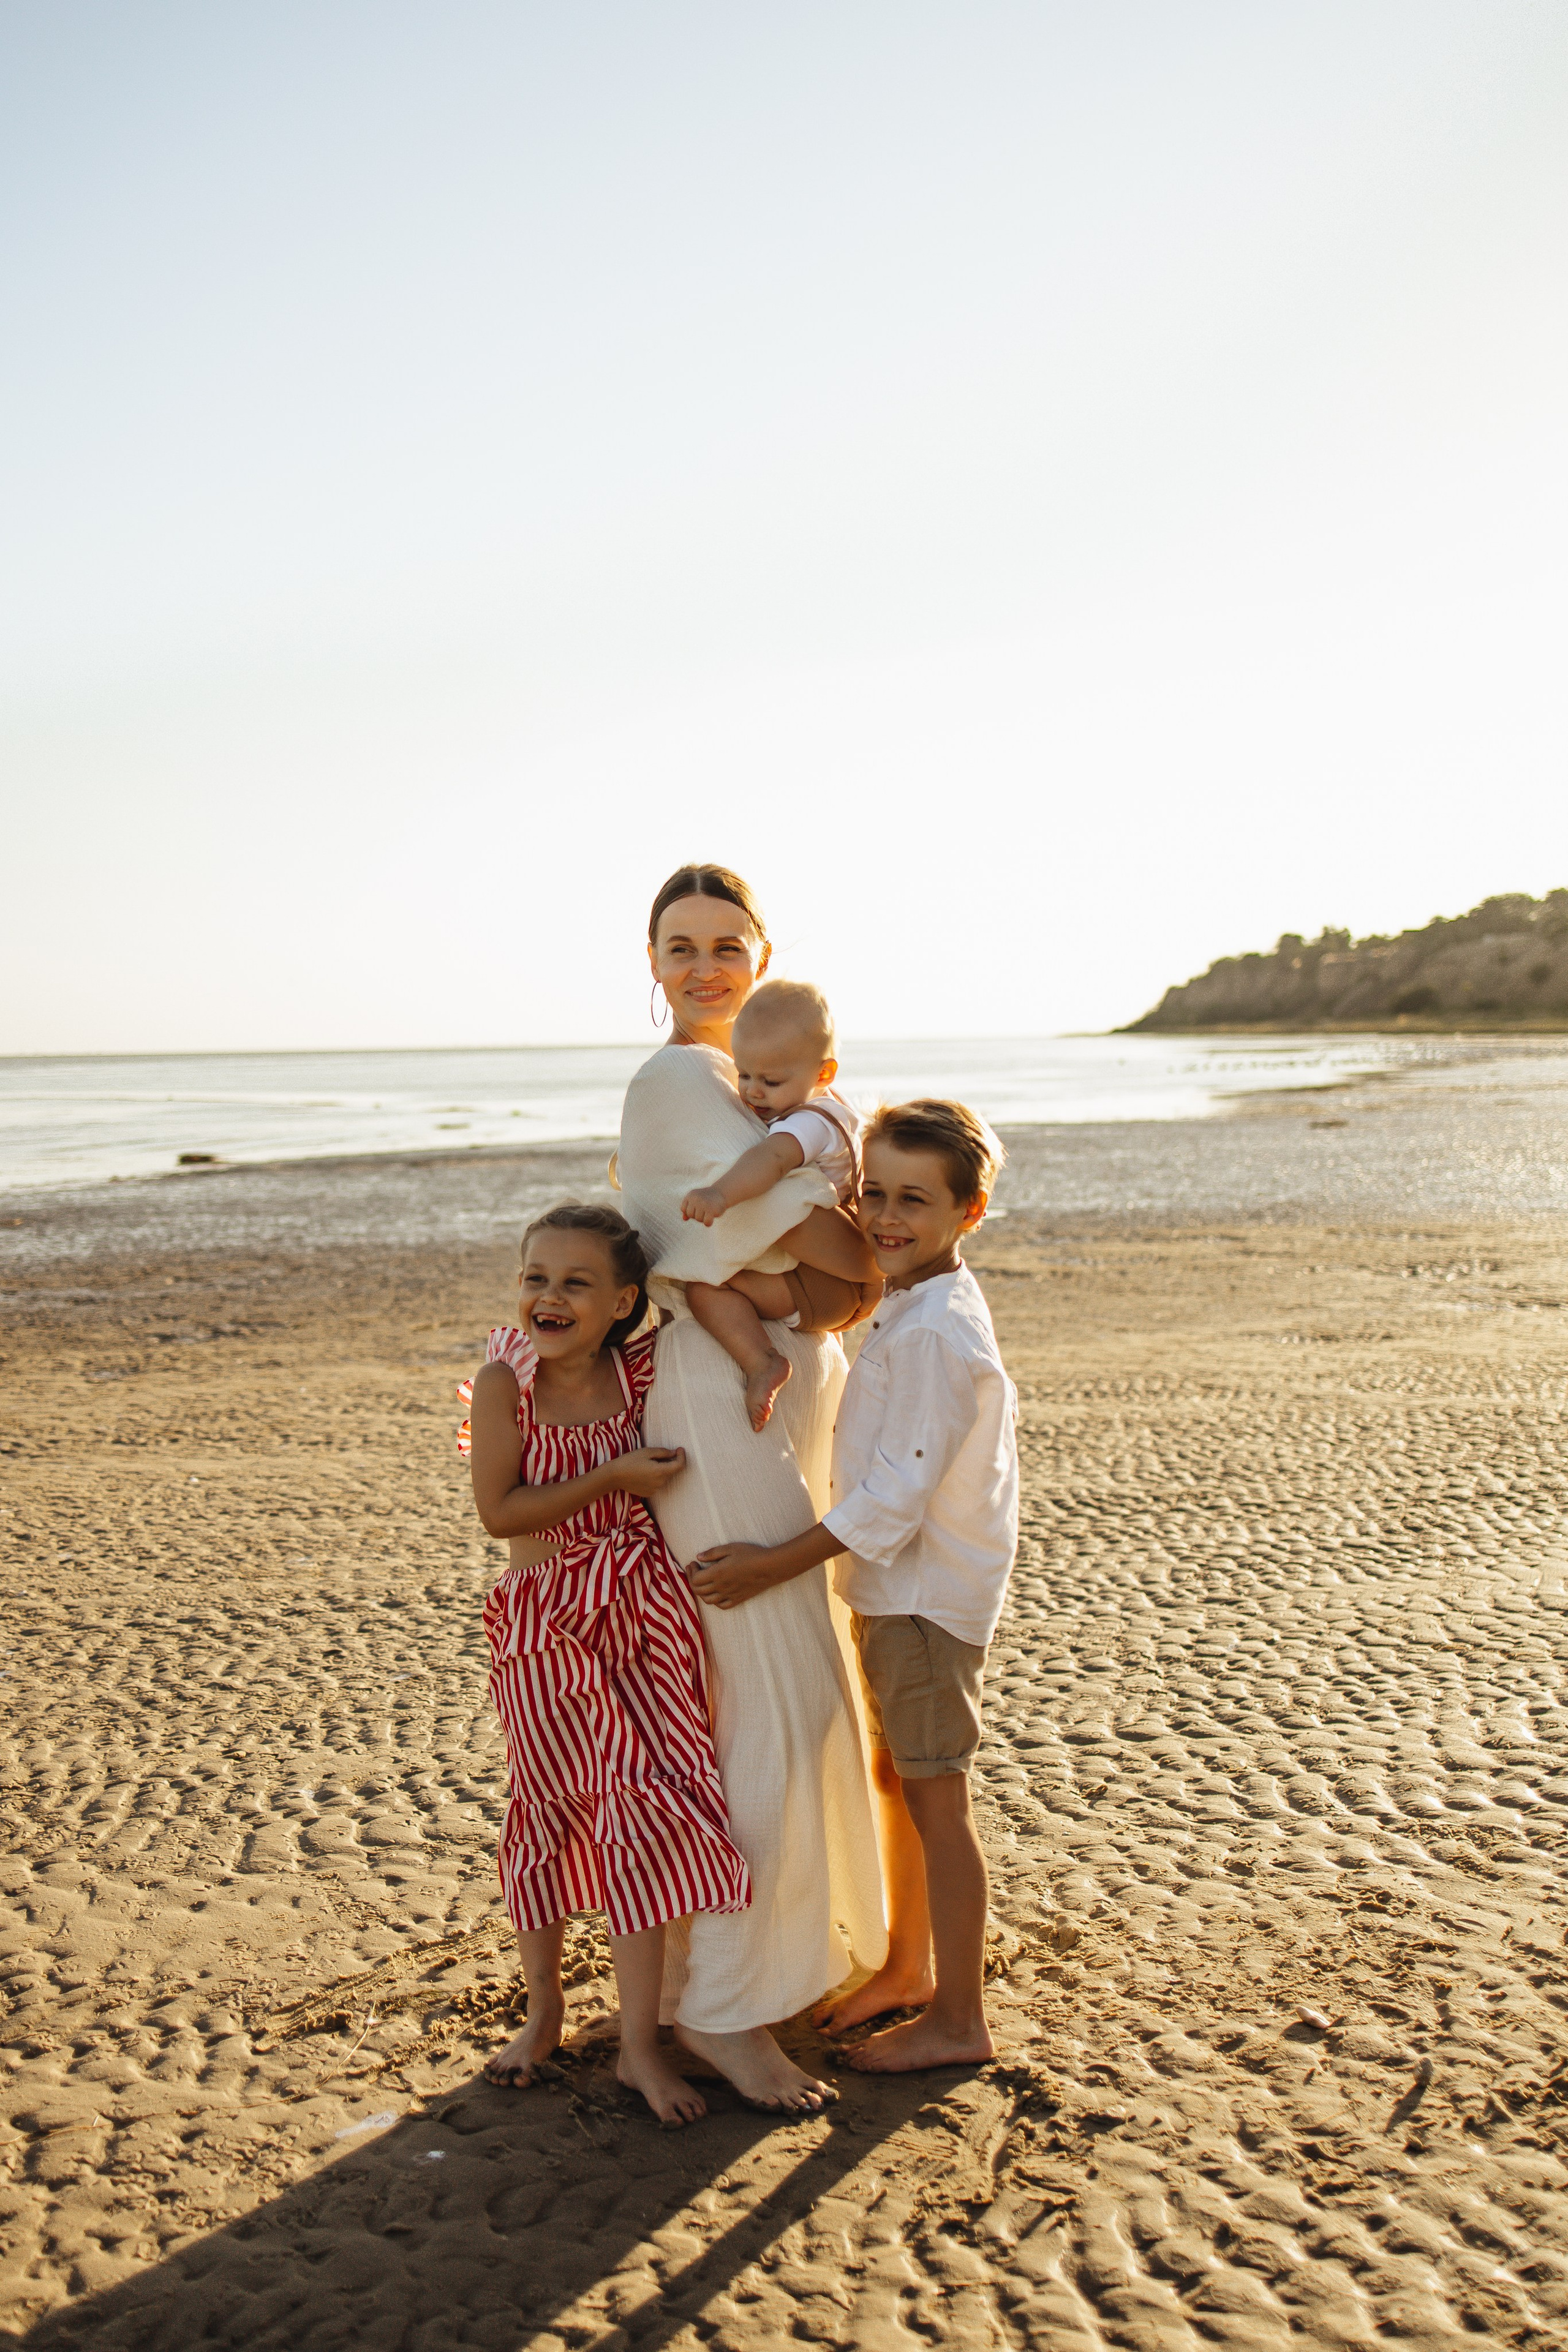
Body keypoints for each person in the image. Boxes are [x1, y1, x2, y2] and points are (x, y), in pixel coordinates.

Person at [616, 864, 888, 2114]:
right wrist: (847, 1260)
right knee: (776, 1699)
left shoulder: (763, 1087)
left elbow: (827, 1240)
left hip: (774, 1397)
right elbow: (832, 1240)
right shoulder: (678, 1083)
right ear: (652, 964)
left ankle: (729, 1978)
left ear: (763, 956)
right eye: (682, 946)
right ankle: (725, 2010)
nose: (706, 966)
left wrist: (834, 1257)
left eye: (728, 944)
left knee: (773, 1692)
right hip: (716, 1405)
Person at [690, 1098, 1019, 2074]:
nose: (884, 1217)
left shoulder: (933, 1332)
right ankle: (908, 1969)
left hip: (925, 1599)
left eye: (915, 1200)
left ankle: (959, 2018)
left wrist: (769, 1565)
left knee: (938, 1802)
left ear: (969, 1210)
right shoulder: (913, 1302)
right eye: (874, 1193)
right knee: (900, 1783)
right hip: (898, 1593)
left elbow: (893, 1498)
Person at [459, 1202, 750, 2127]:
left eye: (576, 1283)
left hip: (642, 1617)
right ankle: (543, 2009)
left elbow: (724, 1305)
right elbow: (501, 1513)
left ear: (624, 1302)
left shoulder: (642, 1369)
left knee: (639, 1806)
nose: (549, 1297)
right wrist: (611, 1479)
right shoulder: (506, 1382)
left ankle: (639, 2045)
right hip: (543, 1626)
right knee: (546, 1806)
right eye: (535, 1278)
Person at [680, 977, 878, 1430]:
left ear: (823, 1074)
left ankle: (762, 1363)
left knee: (704, 1288)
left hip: (824, 1283)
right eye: (744, 1075)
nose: (753, 1092)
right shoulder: (836, 1111)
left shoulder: (807, 1124)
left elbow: (770, 1160)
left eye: (771, 1080)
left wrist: (719, 1193)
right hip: (835, 1276)